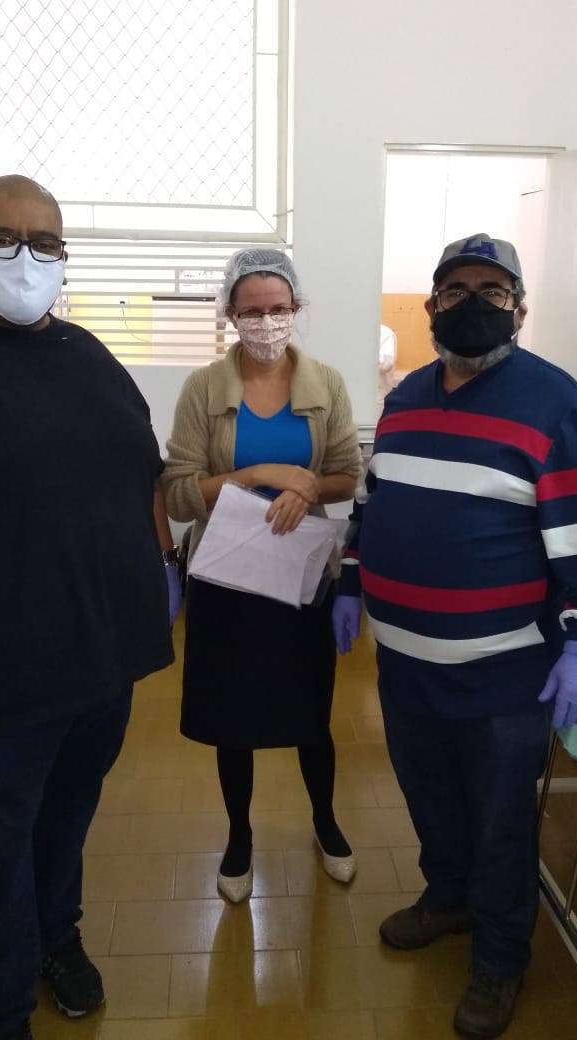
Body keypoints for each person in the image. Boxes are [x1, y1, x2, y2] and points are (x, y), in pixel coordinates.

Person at [0, 175, 180, 1040]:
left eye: (45, 242)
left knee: (64, 822)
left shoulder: (84, 351)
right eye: (2, 237)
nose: (25, 256)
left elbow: (142, 471)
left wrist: (161, 566)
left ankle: (57, 937)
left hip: (99, 667)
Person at [333, 234, 577, 1039]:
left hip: (504, 675)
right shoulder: (406, 398)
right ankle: (449, 898)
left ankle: (499, 957)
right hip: (406, 664)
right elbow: (373, 501)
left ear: (520, 310)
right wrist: (352, 580)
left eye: (492, 291)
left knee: (500, 820)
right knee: (429, 796)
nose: (472, 304)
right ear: (431, 306)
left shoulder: (557, 405)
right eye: (455, 290)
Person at [162, 248, 361, 902]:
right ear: (230, 313)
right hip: (226, 579)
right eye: (252, 311)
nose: (267, 322)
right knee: (234, 715)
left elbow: (347, 474)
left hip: (301, 574)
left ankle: (326, 821)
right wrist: (253, 476)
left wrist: (309, 489)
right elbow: (179, 492)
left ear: (296, 309)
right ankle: (239, 837)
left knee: (310, 709)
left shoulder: (326, 385)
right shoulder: (203, 389)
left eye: (279, 309)